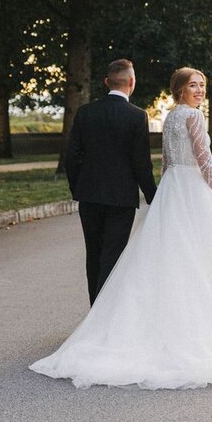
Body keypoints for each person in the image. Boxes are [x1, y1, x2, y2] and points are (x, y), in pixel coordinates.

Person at [30, 66, 212, 389]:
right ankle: (167, 328)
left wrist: (161, 194)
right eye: (193, 86)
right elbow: (201, 160)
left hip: (155, 190)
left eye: (202, 86)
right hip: (179, 191)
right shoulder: (184, 117)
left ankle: (106, 322)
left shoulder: (162, 117)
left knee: (145, 260)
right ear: (180, 89)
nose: (199, 91)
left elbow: (162, 161)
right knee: (189, 261)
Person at [64, 58, 157, 305]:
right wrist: (153, 197)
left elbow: (72, 158)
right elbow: (141, 163)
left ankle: (95, 310)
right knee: (113, 257)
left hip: (89, 196)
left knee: (93, 255)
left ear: (107, 82)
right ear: (132, 82)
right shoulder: (137, 116)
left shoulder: (85, 112)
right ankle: (103, 318)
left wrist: (79, 188)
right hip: (121, 198)